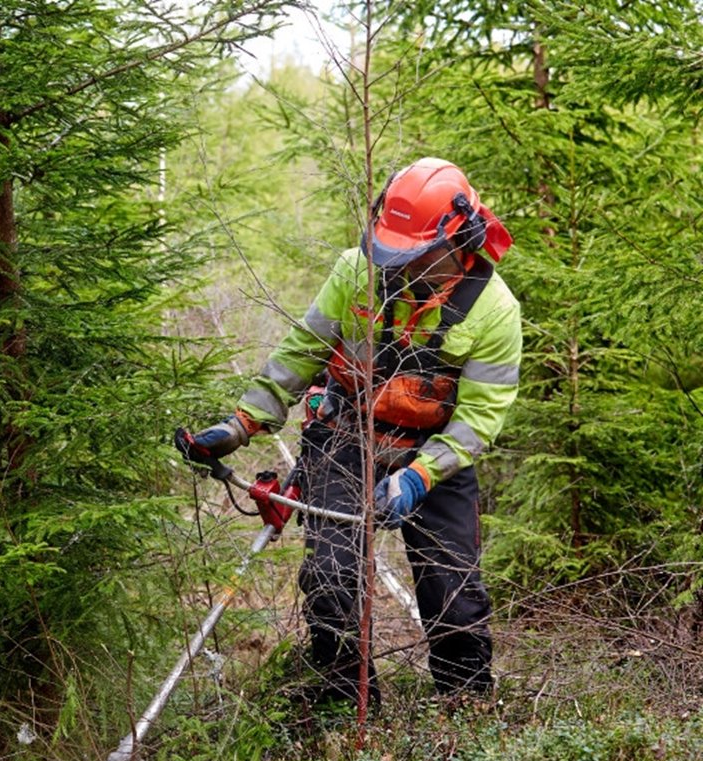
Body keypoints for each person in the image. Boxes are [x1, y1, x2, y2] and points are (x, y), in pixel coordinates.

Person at [178, 157, 521, 705]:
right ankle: (347, 708)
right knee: (331, 581)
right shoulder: (352, 271)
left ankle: (467, 710)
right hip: (345, 436)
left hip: (434, 455)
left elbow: (478, 421)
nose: (400, 263)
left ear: (459, 238)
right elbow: (299, 354)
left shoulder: (495, 310)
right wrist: (240, 424)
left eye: (416, 253)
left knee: (453, 597)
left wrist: (417, 479)